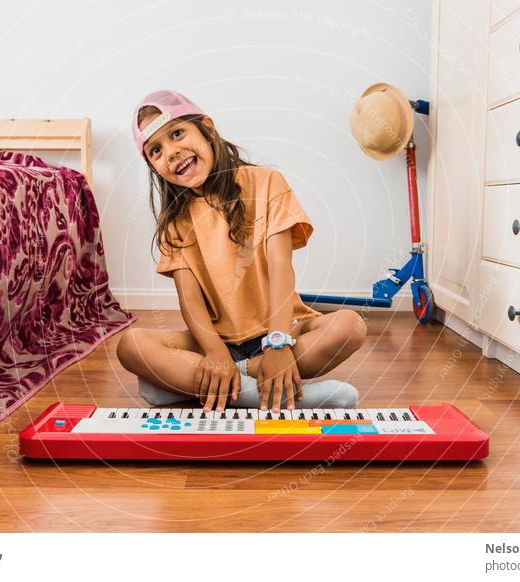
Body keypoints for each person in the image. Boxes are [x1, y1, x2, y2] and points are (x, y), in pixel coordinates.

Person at [117, 89, 366, 414]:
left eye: (177, 133)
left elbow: (280, 267)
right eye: (156, 150)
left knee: (350, 326)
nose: (172, 152)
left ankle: (211, 384)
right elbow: (190, 300)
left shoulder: (266, 183)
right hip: (216, 341)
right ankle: (261, 389)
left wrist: (277, 343)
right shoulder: (175, 222)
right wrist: (215, 353)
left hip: (281, 332)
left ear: (206, 127)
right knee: (131, 345)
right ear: (153, 166)